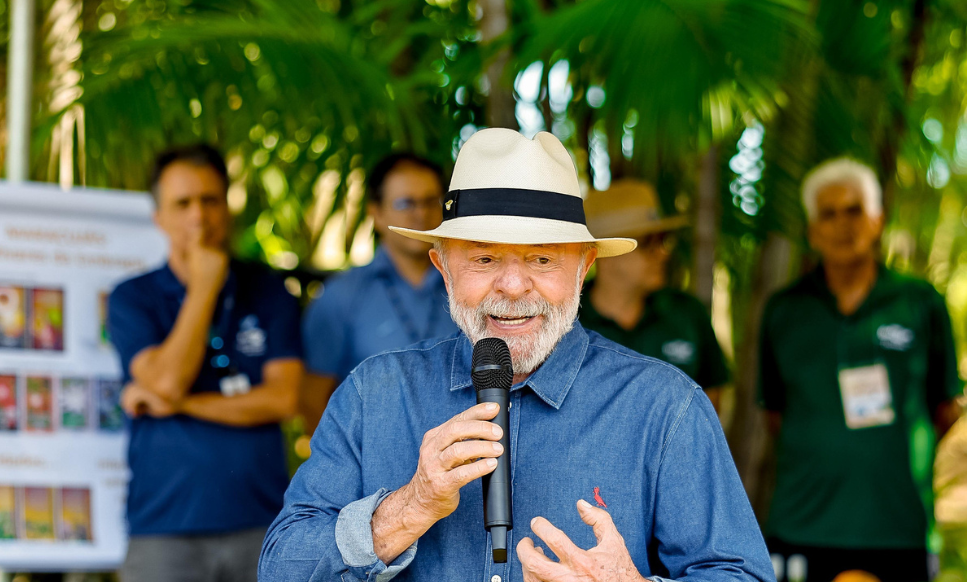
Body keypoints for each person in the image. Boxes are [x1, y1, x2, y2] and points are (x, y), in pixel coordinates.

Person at [259, 129, 774, 582]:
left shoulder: (666, 407)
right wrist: (408, 507)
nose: (510, 286)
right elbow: (281, 570)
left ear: (584, 266)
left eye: (541, 259)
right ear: (443, 266)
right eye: (483, 258)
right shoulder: (374, 393)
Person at [758, 158, 962, 581]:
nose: (842, 225)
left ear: (877, 220)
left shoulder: (920, 303)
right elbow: (775, 414)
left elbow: (945, 409)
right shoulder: (784, 311)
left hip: (897, 530)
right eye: (827, 214)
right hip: (803, 526)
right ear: (812, 231)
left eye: (854, 210)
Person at [108, 145, 304, 582]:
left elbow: (283, 399)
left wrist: (178, 405)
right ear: (158, 216)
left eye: (210, 200)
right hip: (165, 527)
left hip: (264, 522)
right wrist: (204, 287)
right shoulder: (132, 297)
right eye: (182, 203)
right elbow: (165, 380)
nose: (199, 215)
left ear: (228, 207)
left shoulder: (269, 289)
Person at [300, 153, 458, 428]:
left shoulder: (470, 286)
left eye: (430, 201)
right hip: (374, 466)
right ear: (376, 213)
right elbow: (312, 401)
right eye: (405, 203)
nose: (420, 213)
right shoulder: (341, 296)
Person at [581, 181, 728, 411]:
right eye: (649, 242)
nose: (663, 253)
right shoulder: (566, 323)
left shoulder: (688, 314)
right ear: (605, 252)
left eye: (663, 239)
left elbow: (710, 407)